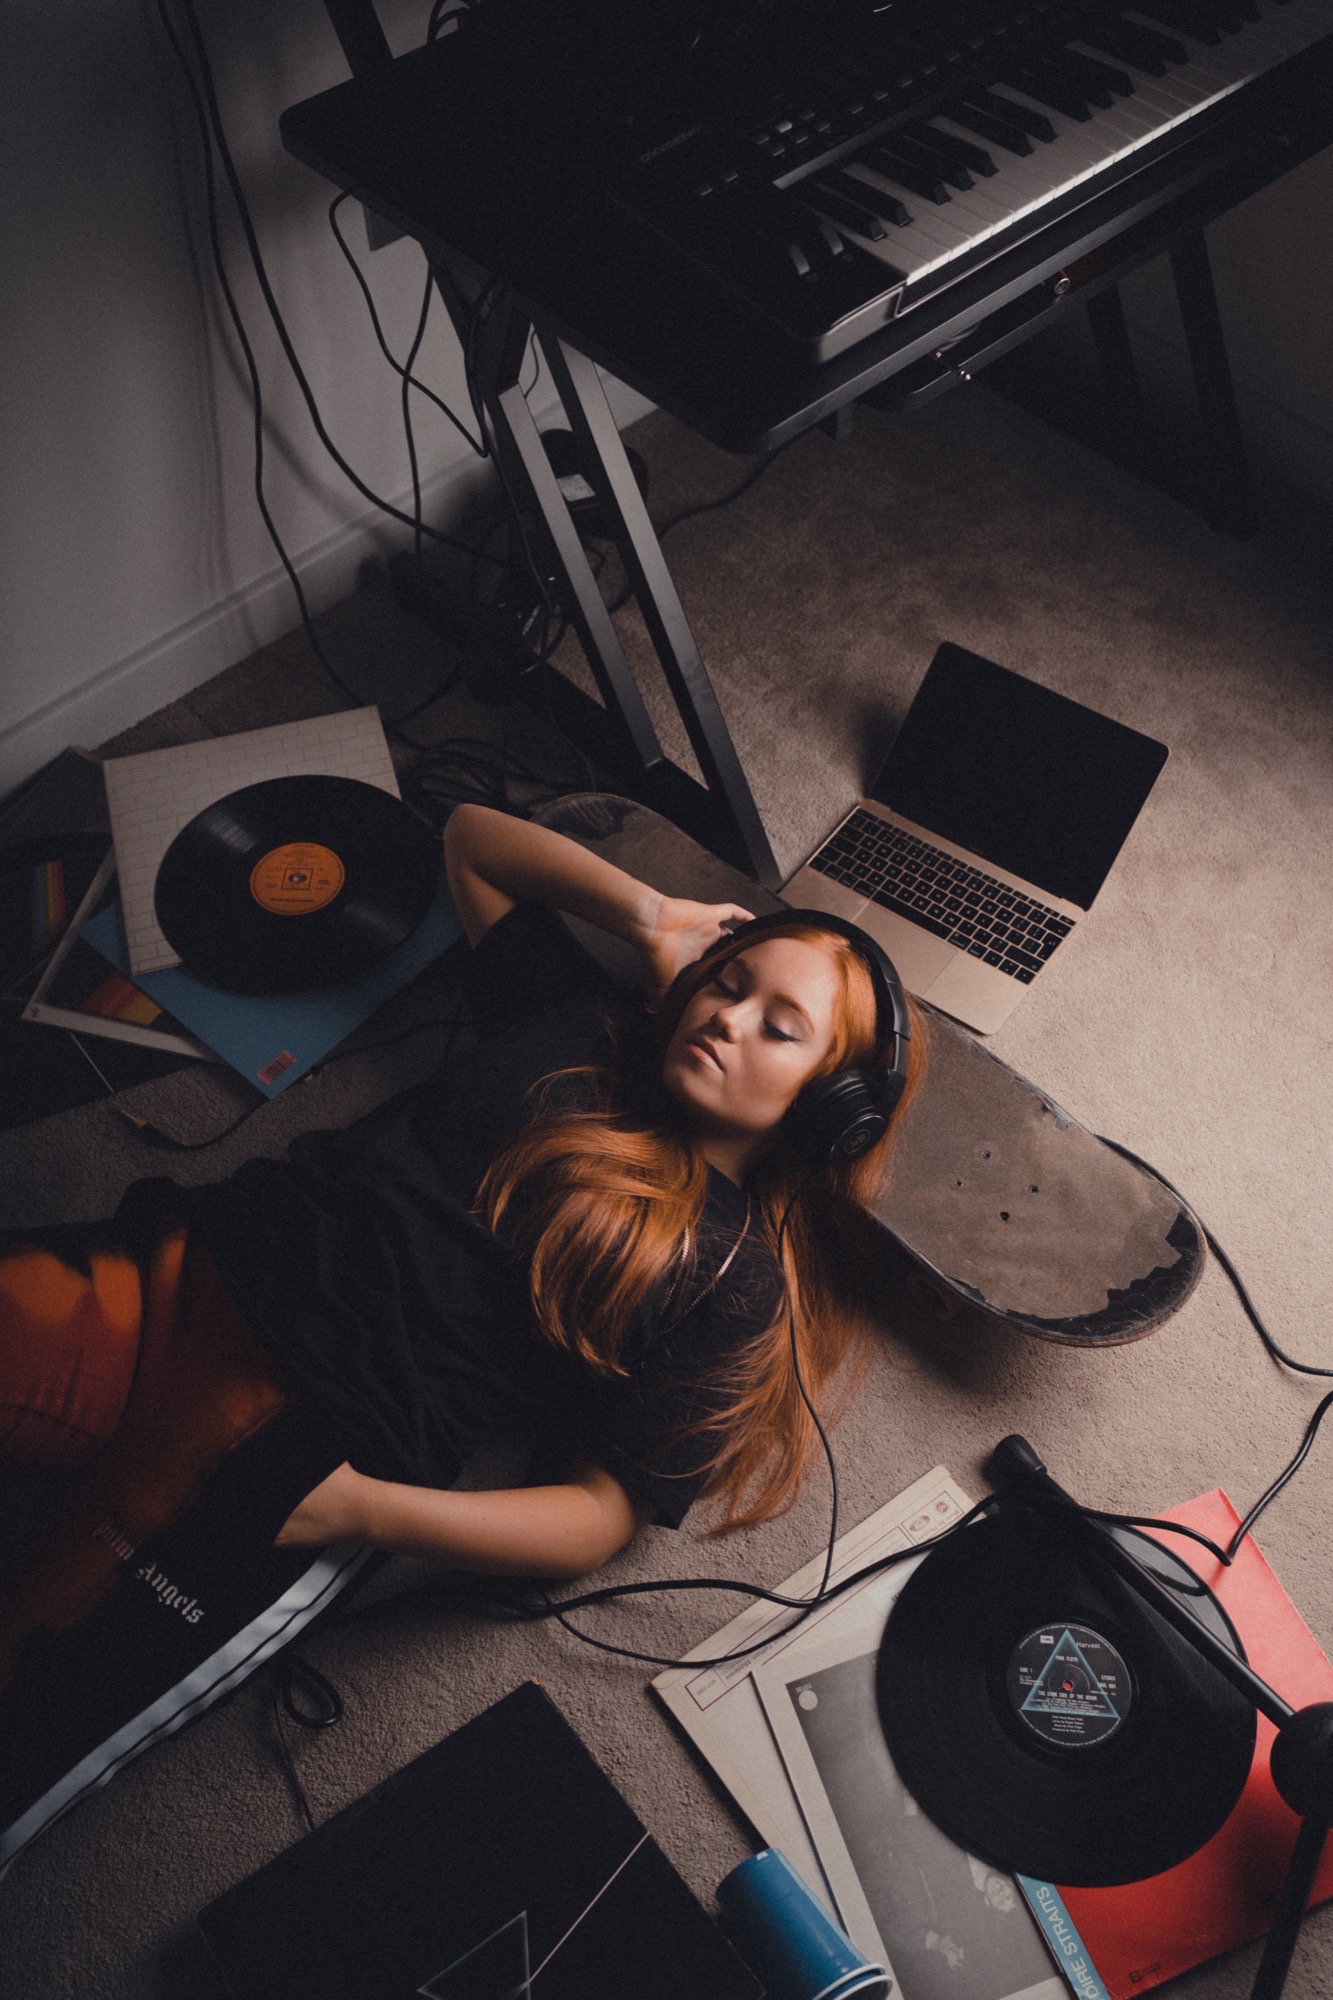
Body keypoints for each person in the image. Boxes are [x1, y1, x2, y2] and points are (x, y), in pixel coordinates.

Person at [0, 804, 927, 1643]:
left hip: (291, 1424)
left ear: (827, 1107)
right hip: (186, 1261)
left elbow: (600, 1513)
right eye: (730, 984)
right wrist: (655, 918)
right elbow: (474, 842)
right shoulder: (580, 1026)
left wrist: (358, 1511)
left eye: (780, 1026)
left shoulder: (734, 1279)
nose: (729, 1018)